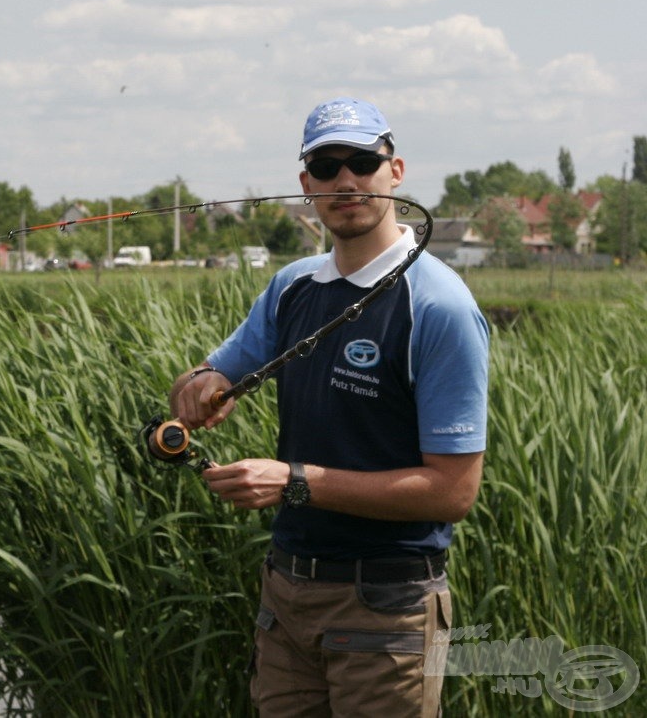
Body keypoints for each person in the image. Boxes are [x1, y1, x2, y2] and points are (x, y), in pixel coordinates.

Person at [170, 97, 489, 717]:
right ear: (305, 186)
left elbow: (453, 492)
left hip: (387, 604)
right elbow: (218, 370)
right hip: (285, 592)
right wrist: (199, 387)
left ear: (395, 172)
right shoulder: (292, 286)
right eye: (325, 166)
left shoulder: (439, 305)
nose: (345, 180)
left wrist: (293, 482)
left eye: (363, 161)